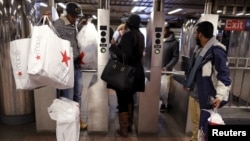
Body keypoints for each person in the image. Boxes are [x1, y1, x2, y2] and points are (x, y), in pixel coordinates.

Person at [183, 21, 231, 141]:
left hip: (206, 96)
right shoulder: (199, 49)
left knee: (204, 127)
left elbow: (224, 76)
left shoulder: (216, 51)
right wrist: (187, 83)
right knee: (195, 123)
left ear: (200, 34)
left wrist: (220, 96)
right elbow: (194, 69)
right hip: (194, 93)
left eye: (195, 33)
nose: (194, 35)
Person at [109, 14, 145, 137]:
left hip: (126, 73)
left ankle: (123, 129)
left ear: (128, 24)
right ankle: (129, 125)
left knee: (123, 100)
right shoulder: (140, 36)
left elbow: (126, 55)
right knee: (129, 98)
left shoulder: (128, 35)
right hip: (137, 72)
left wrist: (114, 46)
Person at [53, 2, 87, 129]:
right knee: (68, 96)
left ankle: (77, 120)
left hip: (77, 65)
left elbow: (74, 42)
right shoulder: (58, 25)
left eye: (77, 17)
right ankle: (68, 123)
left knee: (77, 94)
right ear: (67, 13)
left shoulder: (75, 24)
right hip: (66, 67)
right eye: (74, 16)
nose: (76, 19)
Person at [160, 25, 179, 112]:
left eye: (163, 30)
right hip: (156, 69)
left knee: (165, 89)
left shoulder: (174, 42)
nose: (161, 33)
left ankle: (164, 104)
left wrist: (167, 66)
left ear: (167, 30)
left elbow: (175, 57)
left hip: (166, 70)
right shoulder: (158, 40)